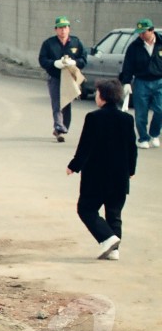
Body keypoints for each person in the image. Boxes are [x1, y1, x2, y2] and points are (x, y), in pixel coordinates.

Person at [66, 79, 137, 260]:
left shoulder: (94, 117)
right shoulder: (127, 119)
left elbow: (85, 146)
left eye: (97, 93)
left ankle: (107, 238)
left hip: (96, 175)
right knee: (114, 213)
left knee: (86, 209)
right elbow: (132, 148)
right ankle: (114, 251)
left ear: (103, 96)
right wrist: (131, 170)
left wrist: (74, 165)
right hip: (119, 175)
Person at [38, 16, 87, 142]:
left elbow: (84, 59)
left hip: (70, 78)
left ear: (69, 29)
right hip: (55, 77)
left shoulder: (76, 42)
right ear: (56, 30)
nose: (63, 31)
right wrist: (54, 63)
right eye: (60, 28)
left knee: (67, 102)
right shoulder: (49, 44)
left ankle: (63, 127)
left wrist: (74, 62)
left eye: (65, 27)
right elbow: (42, 60)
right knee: (57, 103)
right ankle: (59, 128)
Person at [119, 18, 162, 149]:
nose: (141, 35)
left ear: (152, 30)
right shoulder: (134, 47)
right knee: (141, 113)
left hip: (159, 81)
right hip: (141, 82)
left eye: (144, 32)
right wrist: (126, 82)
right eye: (139, 33)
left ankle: (154, 134)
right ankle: (143, 137)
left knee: (160, 109)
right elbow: (128, 65)